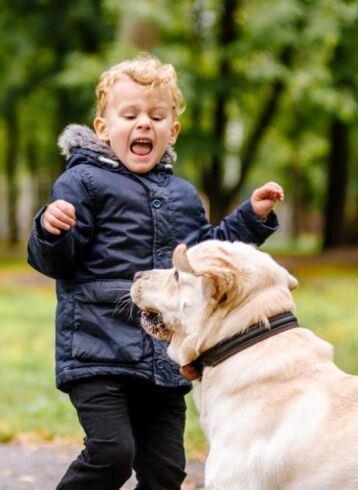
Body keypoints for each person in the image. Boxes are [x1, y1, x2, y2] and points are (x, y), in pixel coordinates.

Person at [27, 54, 284, 490]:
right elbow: (58, 263)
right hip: (98, 353)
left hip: (164, 360)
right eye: (130, 115)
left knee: (166, 470)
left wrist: (251, 218)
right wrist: (50, 231)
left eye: (156, 116)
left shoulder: (183, 194)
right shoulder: (83, 183)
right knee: (112, 454)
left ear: (172, 131)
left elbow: (206, 254)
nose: (144, 124)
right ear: (104, 129)